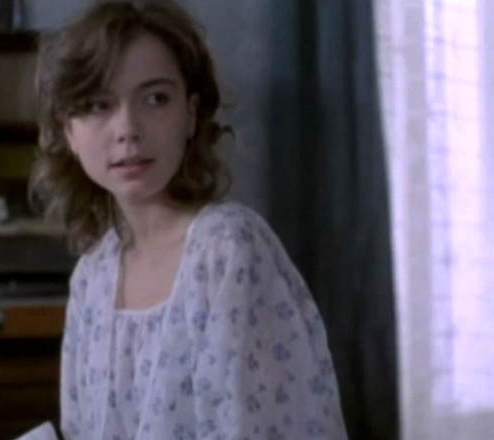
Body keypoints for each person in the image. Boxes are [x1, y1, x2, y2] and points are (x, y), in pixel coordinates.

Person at [30, 0, 349, 438]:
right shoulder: (92, 276)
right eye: (98, 105)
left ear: (191, 115)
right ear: (69, 130)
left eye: (156, 99)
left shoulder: (227, 252)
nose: (128, 129)